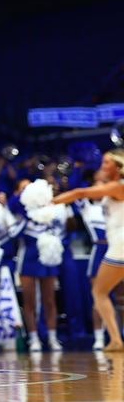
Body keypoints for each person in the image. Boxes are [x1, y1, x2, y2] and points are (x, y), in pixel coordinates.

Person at [54, 149, 124, 352]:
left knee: (99, 291)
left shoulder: (117, 187)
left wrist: (51, 202)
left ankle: (116, 340)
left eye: (106, 163)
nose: (102, 166)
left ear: (118, 167)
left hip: (120, 244)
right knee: (110, 294)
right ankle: (114, 339)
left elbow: (80, 193)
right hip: (117, 243)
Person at [10, 180, 68, 352]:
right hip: (28, 258)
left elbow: (61, 232)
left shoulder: (52, 213)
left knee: (49, 299)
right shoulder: (24, 214)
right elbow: (13, 234)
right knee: (29, 301)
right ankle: (33, 338)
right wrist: (26, 219)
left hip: (47, 258)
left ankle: (52, 337)